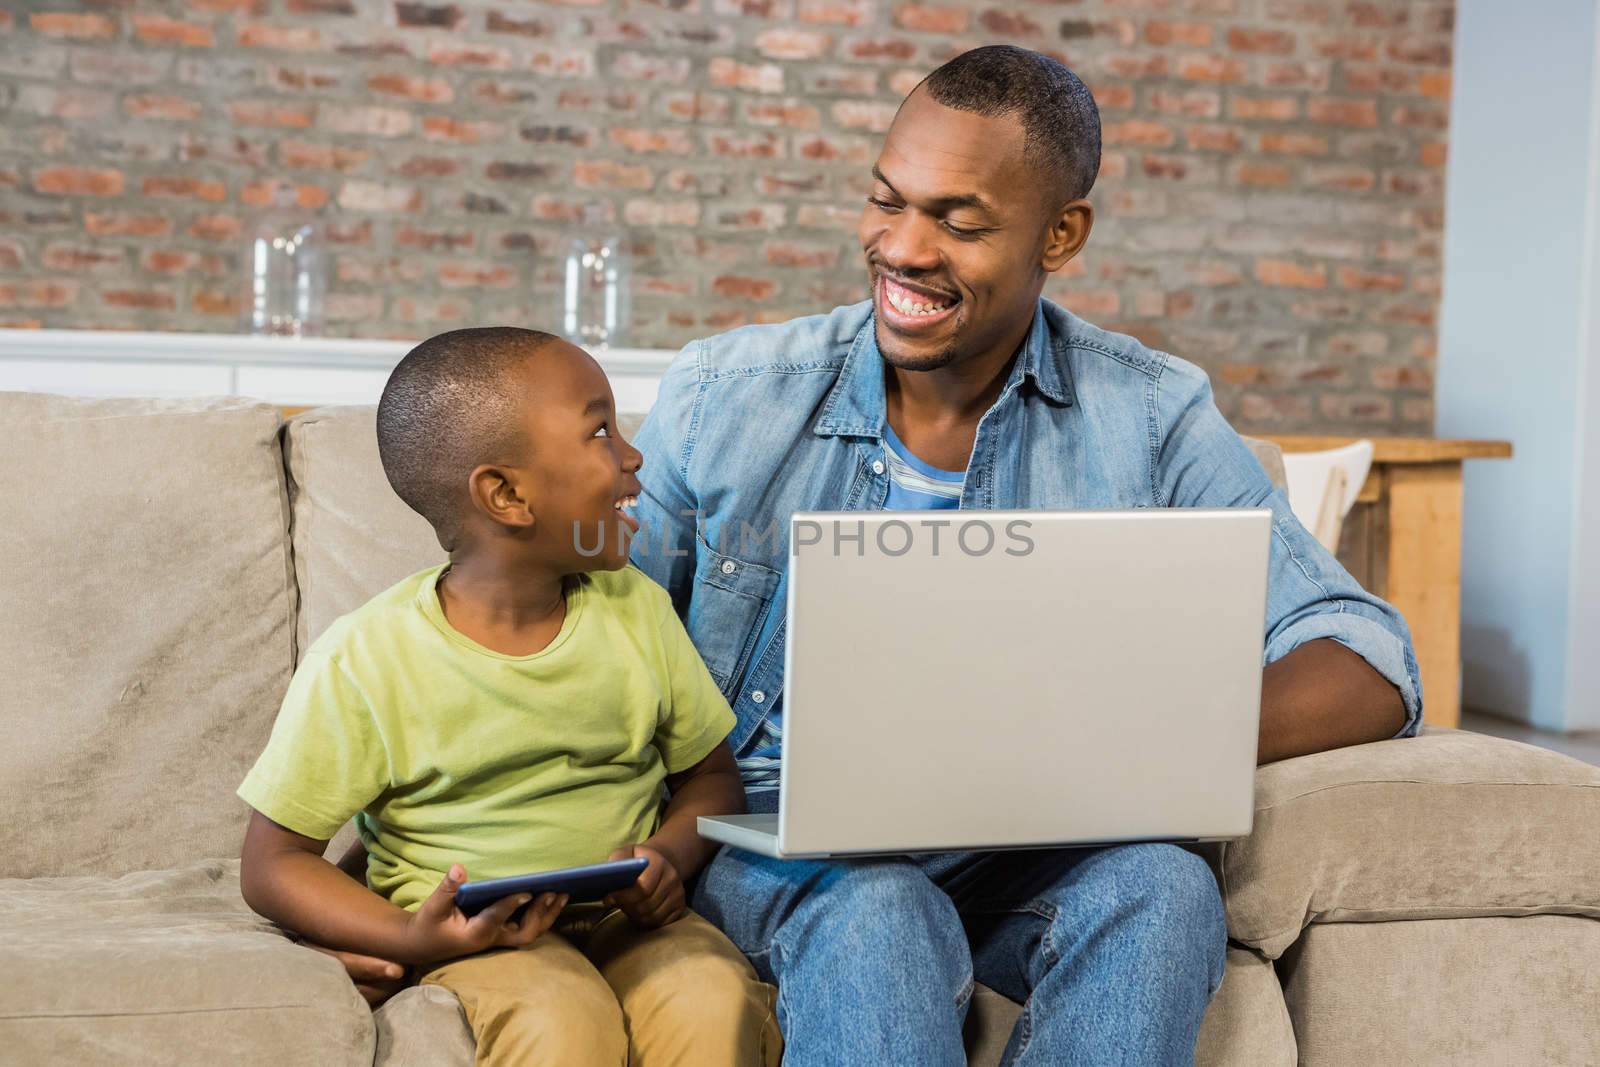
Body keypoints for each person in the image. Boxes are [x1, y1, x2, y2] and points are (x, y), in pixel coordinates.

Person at [622, 46, 1423, 1066]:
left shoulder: (1148, 412)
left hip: (1025, 841)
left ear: (1062, 232)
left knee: (1163, 882)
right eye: (886, 200)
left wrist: (1125, 745)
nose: (903, 247)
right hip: (777, 839)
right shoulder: (729, 394)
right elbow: (604, 645)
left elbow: (1365, 654)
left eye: (958, 221)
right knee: (877, 902)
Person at [236, 327, 780, 1067]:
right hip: (482, 938)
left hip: (624, 920)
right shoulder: (366, 658)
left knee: (713, 1002)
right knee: (561, 1026)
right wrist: (408, 938)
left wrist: (667, 856)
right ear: (506, 493)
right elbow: (274, 863)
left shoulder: (637, 609)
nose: (633, 455)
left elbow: (711, 780)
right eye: (599, 430)